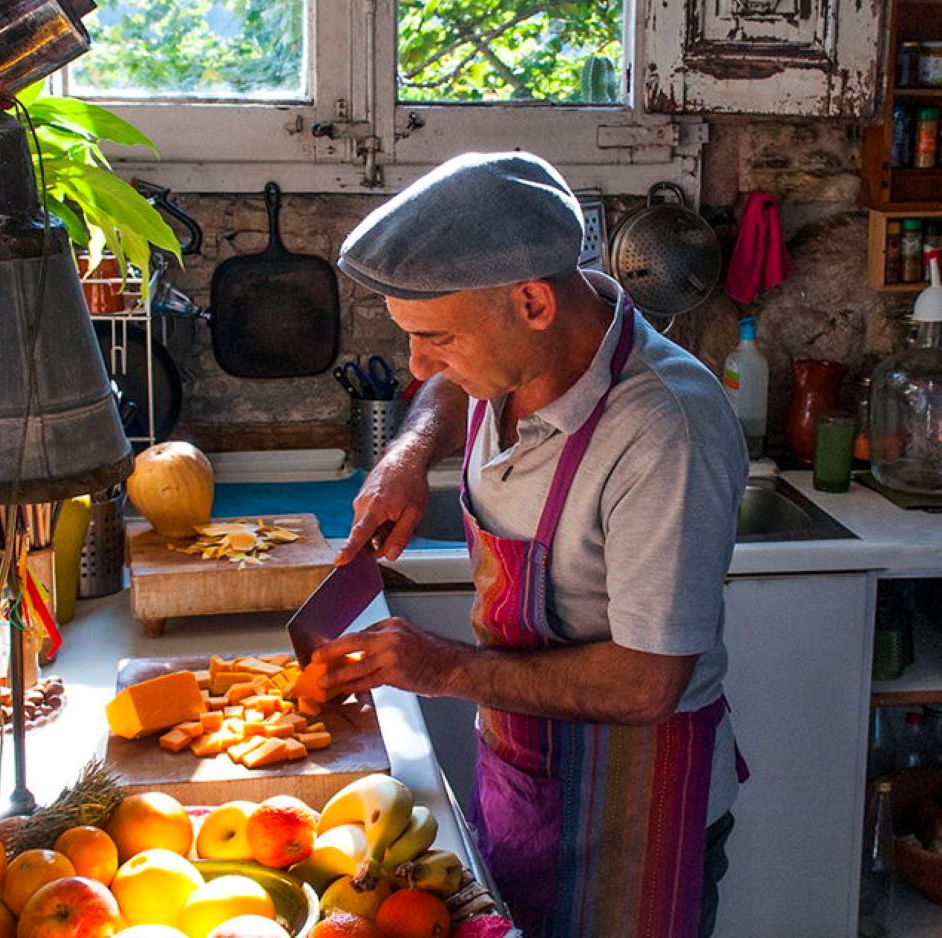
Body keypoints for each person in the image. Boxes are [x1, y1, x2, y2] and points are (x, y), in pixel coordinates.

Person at [313, 151, 750, 938]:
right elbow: (453, 381)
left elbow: (650, 681)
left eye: (436, 336)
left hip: (639, 812)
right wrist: (409, 456)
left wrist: (443, 668)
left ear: (534, 301)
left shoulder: (663, 433)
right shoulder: (517, 346)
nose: (417, 366)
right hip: (525, 776)